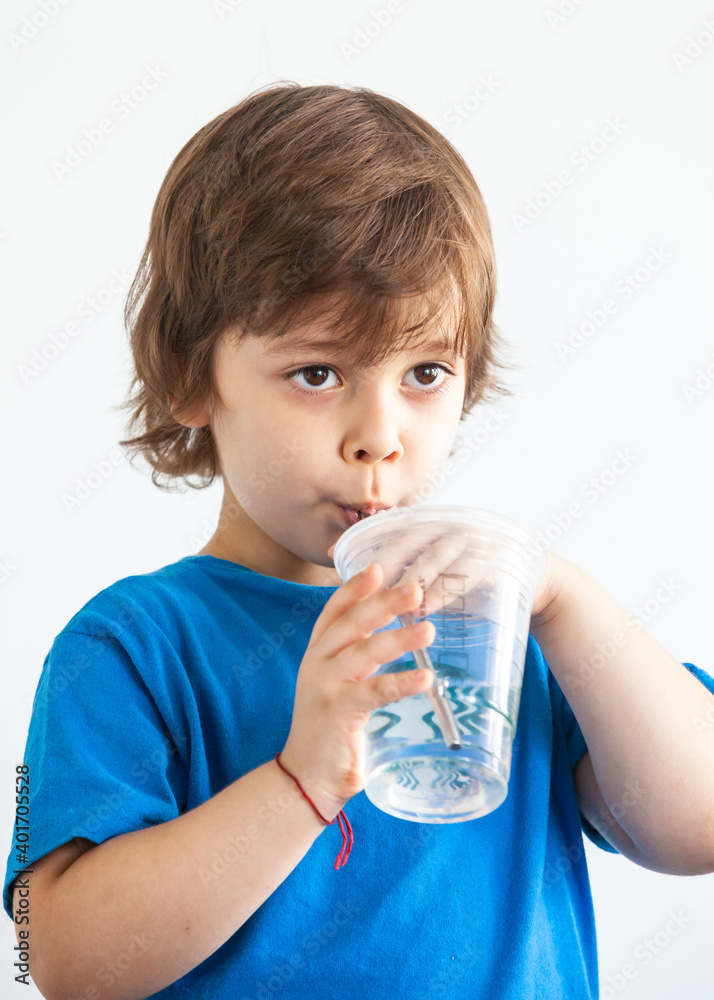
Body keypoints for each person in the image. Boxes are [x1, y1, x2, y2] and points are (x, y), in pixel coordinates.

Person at [5, 82, 714, 1000]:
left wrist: (565, 601)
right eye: (317, 372)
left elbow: (695, 824)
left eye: (425, 372)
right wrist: (301, 781)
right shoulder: (131, 646)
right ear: (191, 377)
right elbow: (59, 958)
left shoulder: (500, 630)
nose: (380, 432)